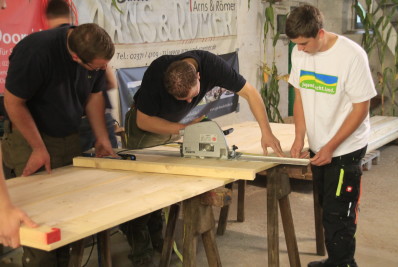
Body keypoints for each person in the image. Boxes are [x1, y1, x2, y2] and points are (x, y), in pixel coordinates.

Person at [123, 49, 284, 264]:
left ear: (199, 75)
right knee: (141, 190)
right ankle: (140, 253)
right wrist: (183, 128)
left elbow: (250, 93)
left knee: (158, 188)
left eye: (191, 95)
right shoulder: (158, 71)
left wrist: (267, 132)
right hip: (146, 127)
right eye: (182, 98)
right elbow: (143, 121)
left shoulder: (212, 65)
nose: (189, 101)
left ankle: (158, 241)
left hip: (172, 125)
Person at [1, 23, 116, 266]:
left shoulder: (91, 48)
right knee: (40, 229)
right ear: (76, 57)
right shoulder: (36, 52)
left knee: (68, 224)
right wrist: (38, 147)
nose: (104, 69)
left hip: (67, 134)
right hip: (30, 138)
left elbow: (95, 94)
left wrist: (102, 137)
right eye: (98, 66)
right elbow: (13, 103)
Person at [285, 4, 376, 267]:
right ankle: (335, 261)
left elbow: (361, 108)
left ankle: (344, 264)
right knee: (327, 207)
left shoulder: (351, 56)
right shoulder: (299, 52)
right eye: (295, 44)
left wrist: (330, 147)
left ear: (320, 33)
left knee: (340, 214)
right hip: (319, 146)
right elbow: (299, 95)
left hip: (345, 149)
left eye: (303, 43)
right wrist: (299, 137)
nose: (298, 49)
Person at [45, 0, 118, 151]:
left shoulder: (59, 46)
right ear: (70, 14)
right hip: (102, 117)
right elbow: (111, 82)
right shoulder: (90, 40)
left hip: (78, 121)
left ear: (47, 18)